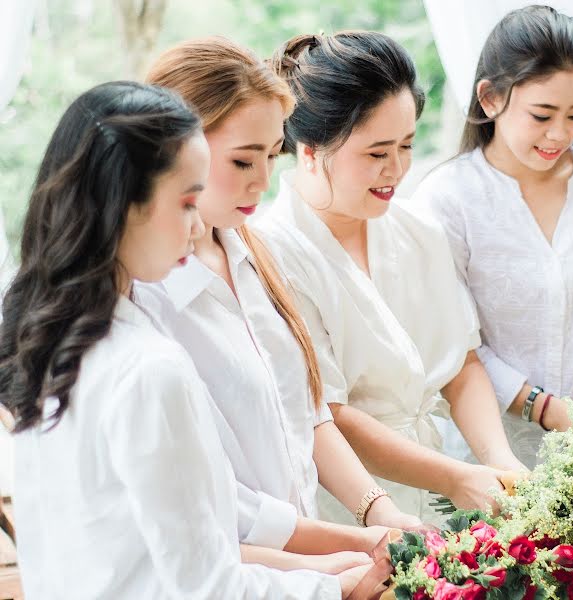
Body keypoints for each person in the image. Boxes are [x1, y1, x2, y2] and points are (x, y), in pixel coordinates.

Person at [0, 81, 369, 598]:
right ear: (125, 204)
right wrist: (338, 589)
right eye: (187, 203)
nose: (197, 228)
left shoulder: (53, 345)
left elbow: (189, 510)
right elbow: (209, 586)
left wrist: (331, 558)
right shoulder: (146, 366)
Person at [139, 37, 418, 562]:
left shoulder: (249, 248)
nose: (264, 182)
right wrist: (339, 553)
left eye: (272, 155)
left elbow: (307, 416)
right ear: (178, 147)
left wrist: (380, 512)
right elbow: (197, 513)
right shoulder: (146, 297)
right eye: (243, 162)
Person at [260, 30, 525, 523]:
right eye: (377, 154)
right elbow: (329, 415)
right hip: (351, 509)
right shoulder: (271, 254)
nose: (398, 169)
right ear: (310, 151)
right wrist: (455, 477)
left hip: (450, 492)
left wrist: (500, 459)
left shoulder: (418, 229)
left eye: (406, 145)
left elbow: (461, 365)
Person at [411, 5, 573, 468]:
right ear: (491, 98)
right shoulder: (447, 198)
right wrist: (547, 409)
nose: (560, 134)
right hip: (486, 457)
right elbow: (455, 343)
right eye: (542, 115)